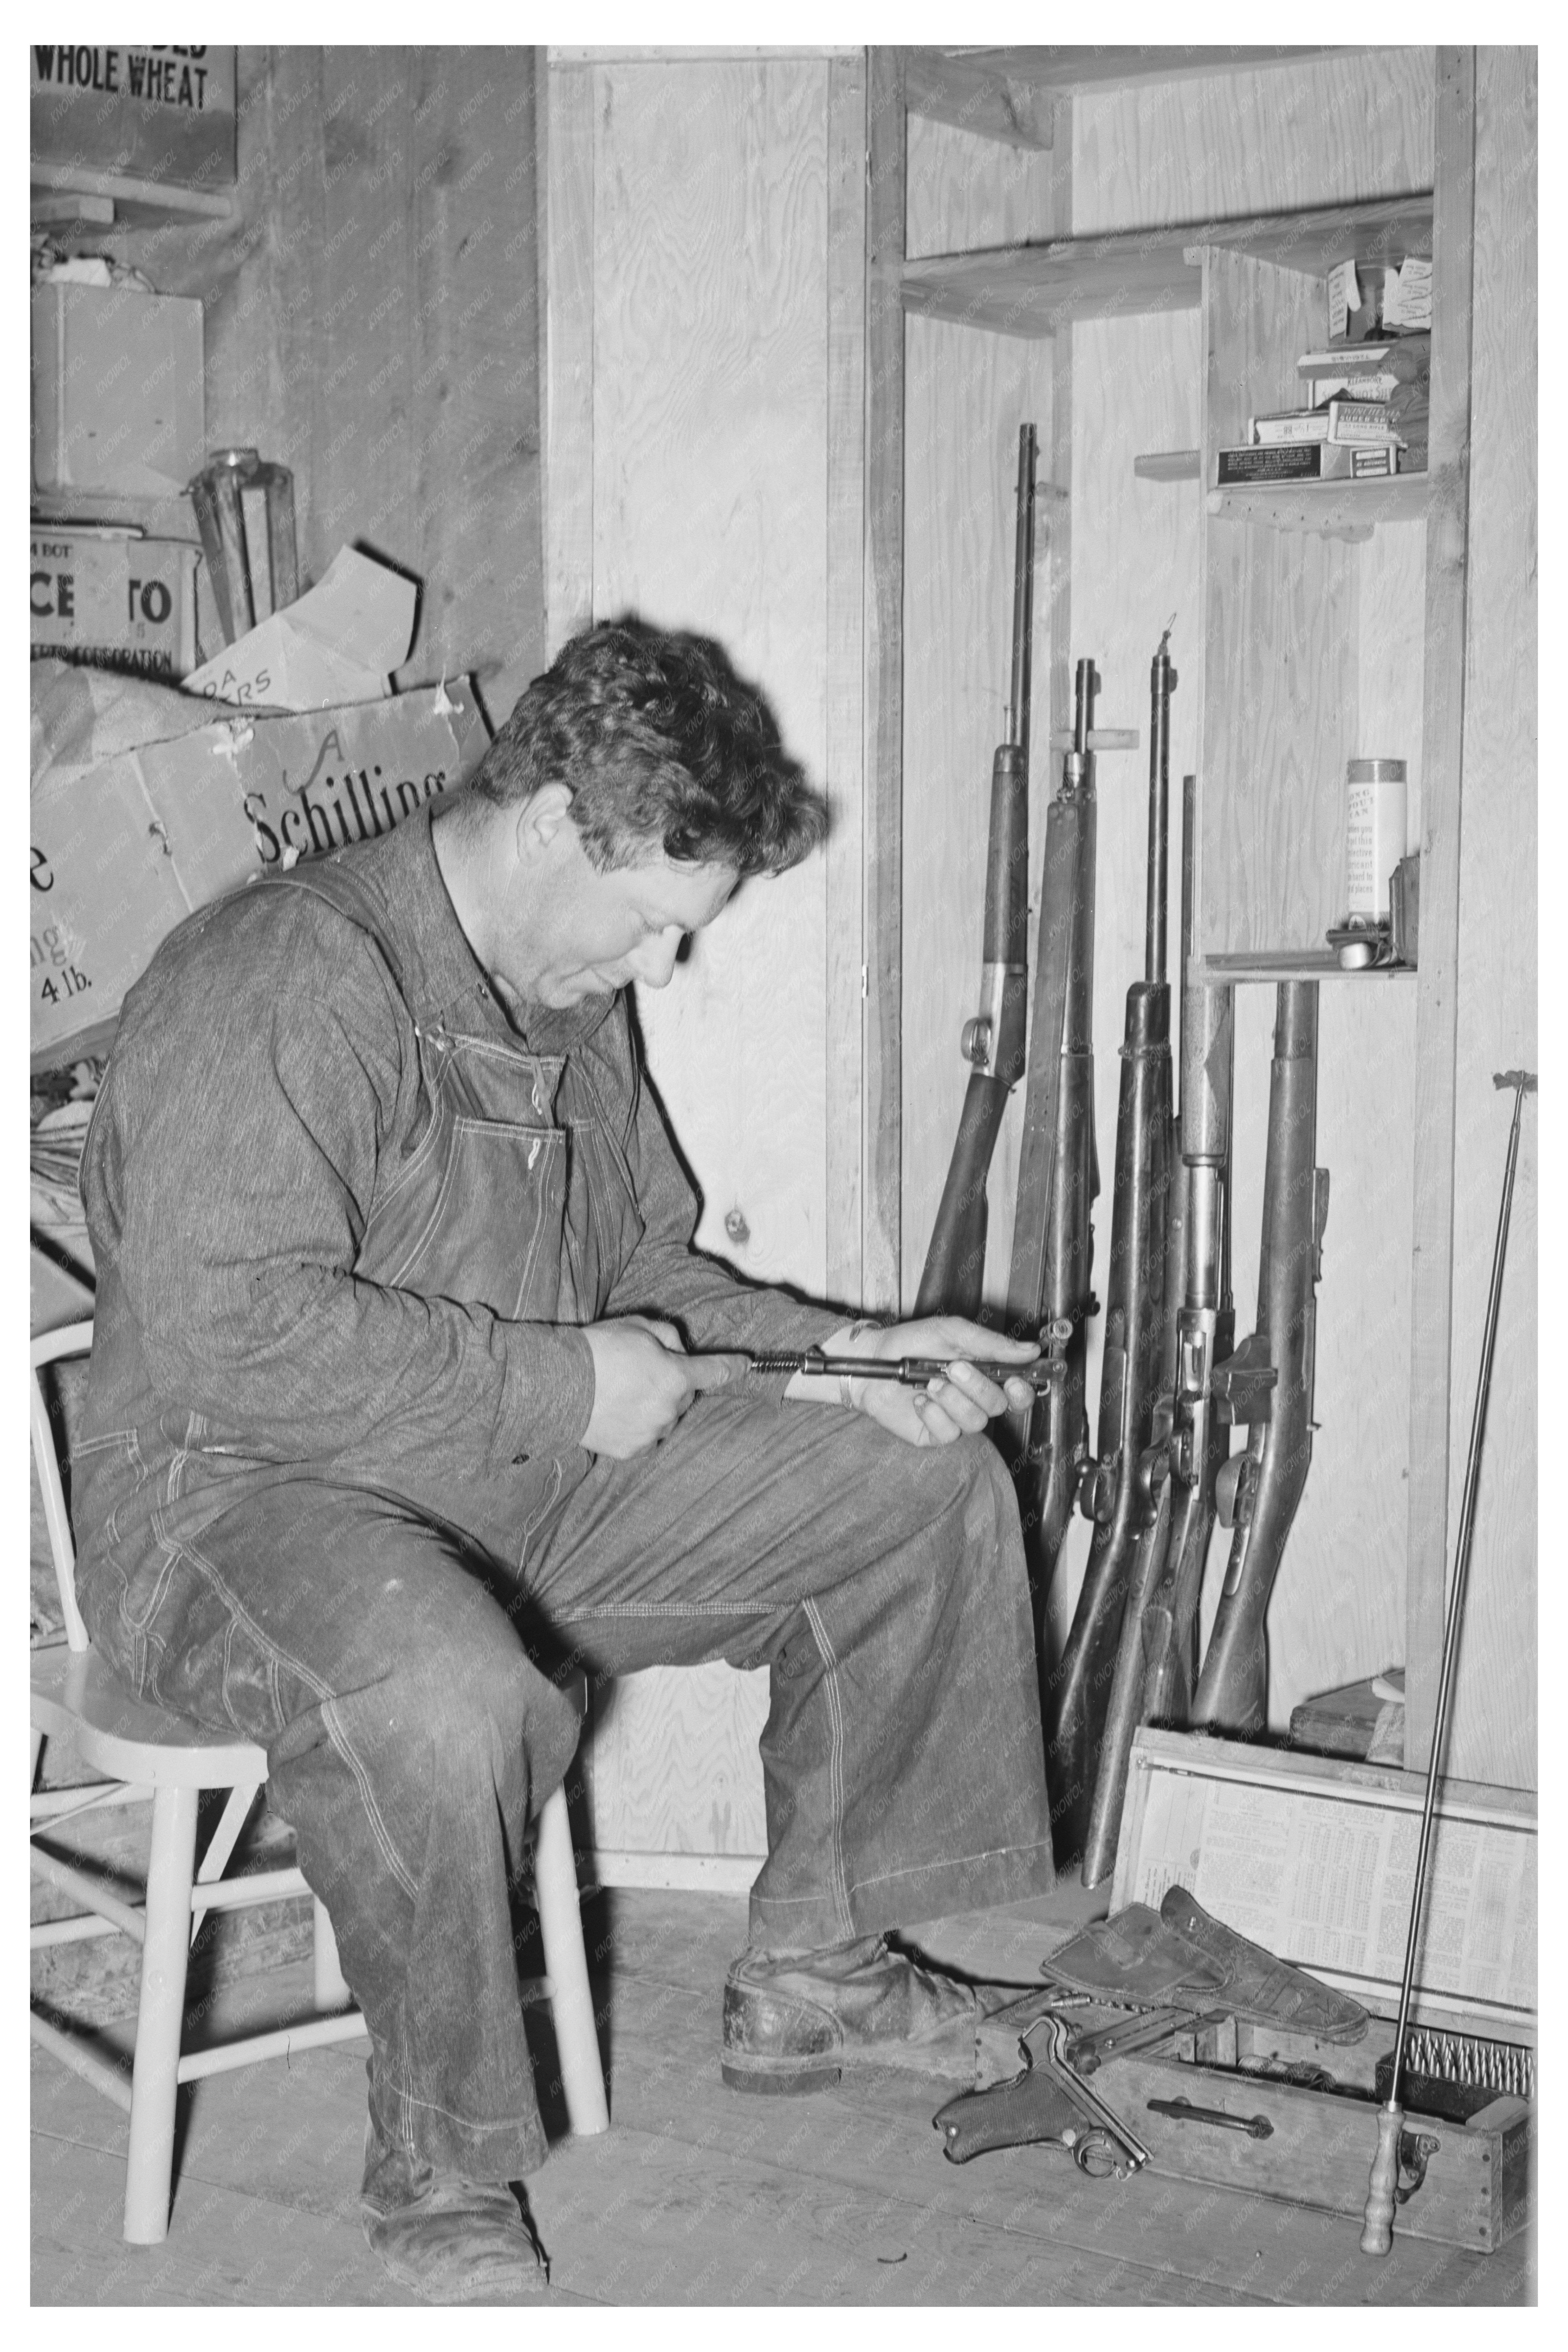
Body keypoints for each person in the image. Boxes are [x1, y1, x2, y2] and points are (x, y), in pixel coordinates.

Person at [75, 618, 1057, 2302]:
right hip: (231, 1506)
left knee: (919, 1483)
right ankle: (439, 2172)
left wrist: (848, 1359)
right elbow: (235, 1330)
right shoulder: (284, 972)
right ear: (548, 826)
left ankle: (815, 1966)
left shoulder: (561, 988)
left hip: (496, 1470)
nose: (664, 973)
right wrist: (553, 1376)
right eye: (657, 927)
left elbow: (652, 1273)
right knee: (446, 1686)